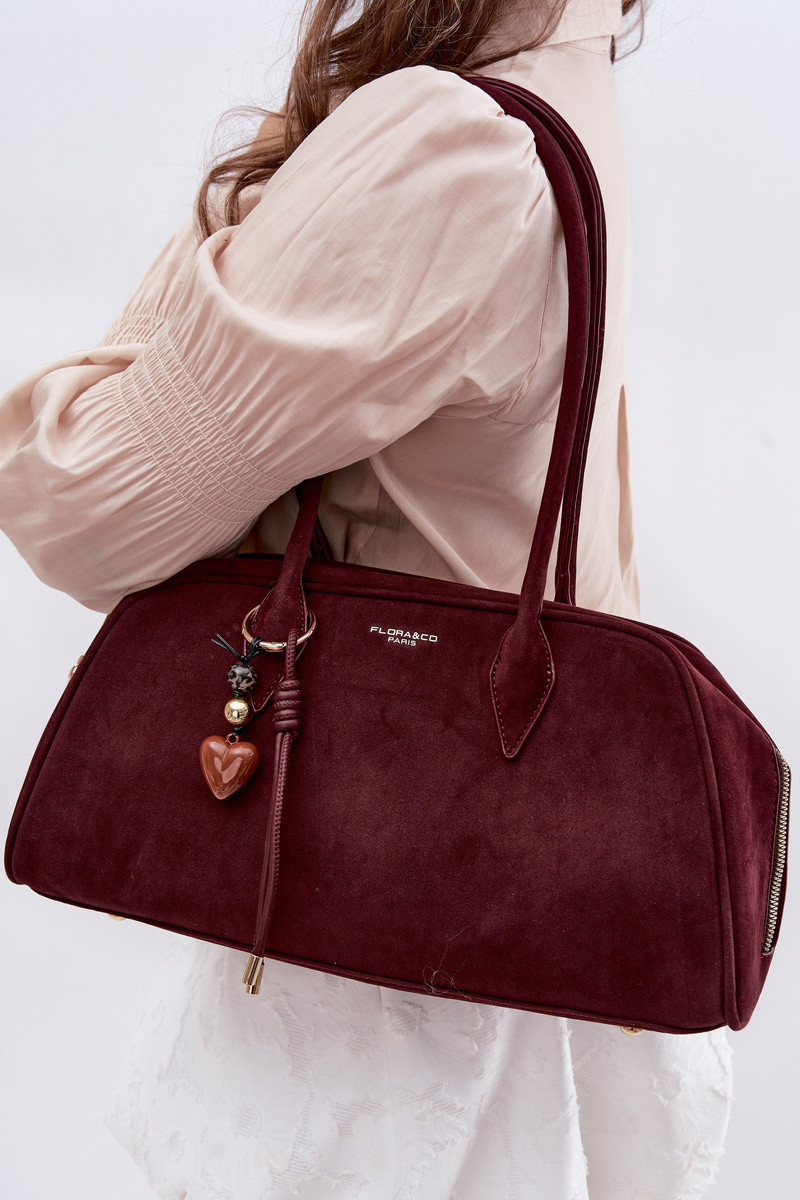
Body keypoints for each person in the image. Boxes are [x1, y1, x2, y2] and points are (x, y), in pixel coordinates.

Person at [0, 0, 734, 1196]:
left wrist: (258, 189)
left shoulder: (444, 141)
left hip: (375, 1000)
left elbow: (75, 500)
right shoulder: (562, 73)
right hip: (476, 926)